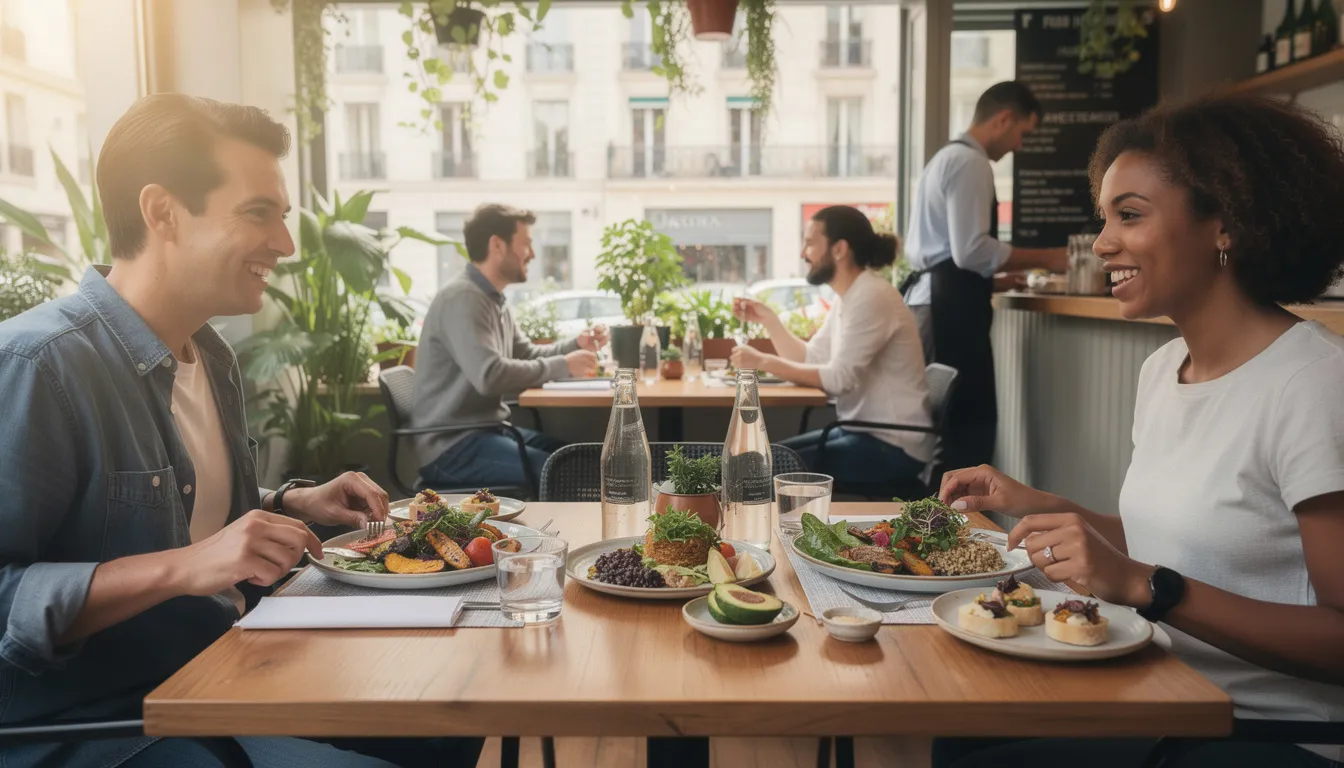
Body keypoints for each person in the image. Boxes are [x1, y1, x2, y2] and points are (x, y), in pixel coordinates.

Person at [0, 94, 482, 767]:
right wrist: (187, 568)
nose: (285, 244)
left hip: (226, 667)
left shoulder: (212, 355)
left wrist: (287, 504)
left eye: (283, 217)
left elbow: (185, 523)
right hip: (104, 721)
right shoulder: (38, 364)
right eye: (259, 214)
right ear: (162, 212)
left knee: (448, 719)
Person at [934, 94, 1344, 768]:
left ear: (1227, 226)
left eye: (1129, 215)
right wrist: (1035, 503)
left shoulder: (1314, 385)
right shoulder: (1163, 371)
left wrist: (1147, 589)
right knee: (959, 720)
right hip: (1160, 692)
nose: (1101, 243)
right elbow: (1172, 545)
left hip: (1268, 736)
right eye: (1105, 219)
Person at [901, 81, 1068, 474]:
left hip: (938, 297)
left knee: (951, 425)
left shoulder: (945, 157)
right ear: (1004, 119)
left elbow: (948, 253)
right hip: (949, 307)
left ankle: (946, 521)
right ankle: (959, 525)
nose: (1019, 146)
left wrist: (994, 282)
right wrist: (1051, 258)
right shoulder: (971, 162)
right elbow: (970, 250)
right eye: (1022, 134)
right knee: (968, 425)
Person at [730, 205, 933, 492]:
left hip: (894, 447)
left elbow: (839, 381)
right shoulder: (851, 296)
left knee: (758, 466)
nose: (803, 253)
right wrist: (768, 319)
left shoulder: (871, 296)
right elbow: (809, 358)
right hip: (865, 433)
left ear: (839, 249)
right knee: (761, 459)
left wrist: (762, 361)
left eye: (811, 242)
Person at [413, 203, 607, 491]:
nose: (533, 253)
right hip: (451, 448)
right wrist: (564, 365)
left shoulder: (493, 299)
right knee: (565, 472)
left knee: (578, 458)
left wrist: (574, 346)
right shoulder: (464, 298)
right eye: (526, 244)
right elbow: (489, 376)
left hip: (487, 433)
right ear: (497, 245)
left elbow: (526, 355)